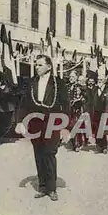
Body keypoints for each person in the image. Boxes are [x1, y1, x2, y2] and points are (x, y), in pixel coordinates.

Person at [21, 55, 69, 201]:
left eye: (40, 65)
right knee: (39, 154)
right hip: (35, 123)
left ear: (49, 66)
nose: (37, 67)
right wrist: (20, 122)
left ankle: (52, 188)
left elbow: (66, 105)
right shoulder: (31, 82)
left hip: (52, 123)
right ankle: (42, 188)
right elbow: (23, 103)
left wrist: (64, 127)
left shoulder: (58, 83)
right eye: (36, 65)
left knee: (49, 153)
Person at [86, 73, 108, 154]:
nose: (99, 81)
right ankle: (99, 145)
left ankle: (104, 147)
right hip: (95, 112)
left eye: (101, 80)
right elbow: (89, 101)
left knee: (102, 130)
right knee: (96, 129)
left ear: (105, 80)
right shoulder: (94, 89)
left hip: (105, 112)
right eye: (98, 79)